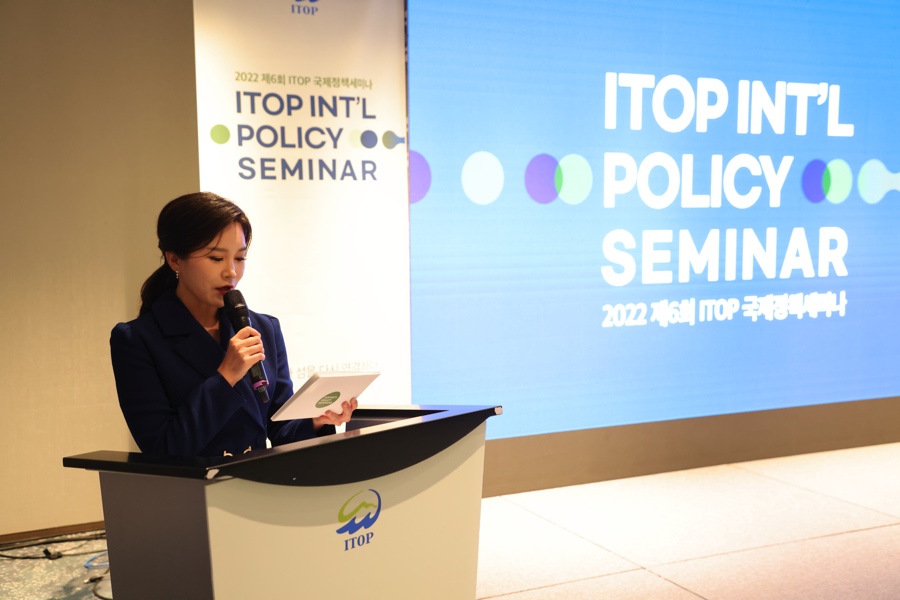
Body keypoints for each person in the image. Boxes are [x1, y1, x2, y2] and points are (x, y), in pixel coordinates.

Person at [110, 192, 356, 457]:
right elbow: (163, 448)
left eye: (239, 258)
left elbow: (280, 429)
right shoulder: (137, 339)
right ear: (175, 260)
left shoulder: (264, 328)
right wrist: (226, 376)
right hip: (193, 483)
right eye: (216, 258)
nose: (231, 272)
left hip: (258, 480)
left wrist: (317, 420)